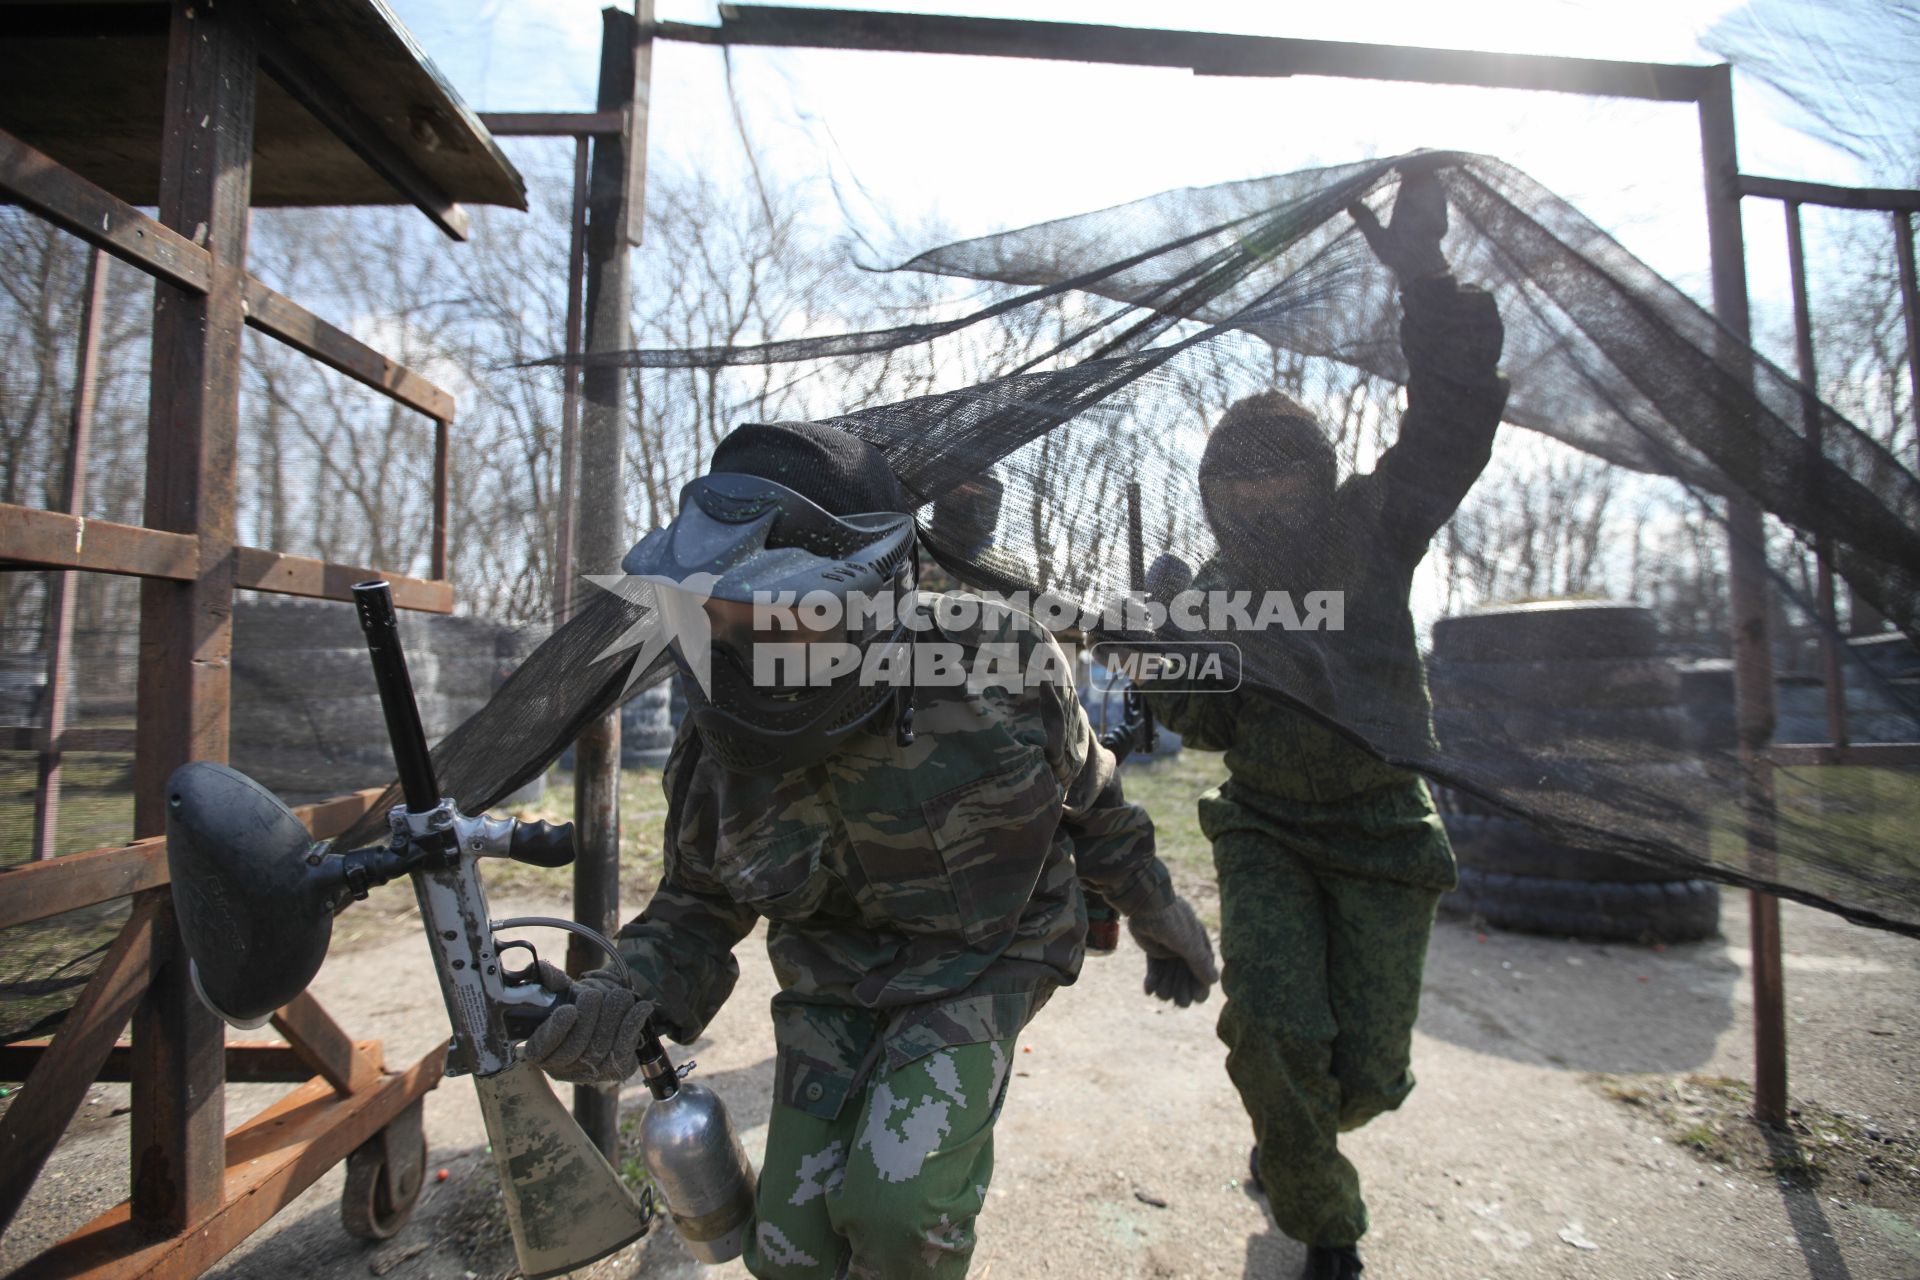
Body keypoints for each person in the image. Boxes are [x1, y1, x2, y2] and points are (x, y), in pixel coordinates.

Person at [522, 420, 1218, 1280]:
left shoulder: (1001, 663)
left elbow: (1097, 807)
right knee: (787, 1253)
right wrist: (620, 999)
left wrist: (1163, 917)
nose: (743, 652)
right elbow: (698, 906)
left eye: (779, 618)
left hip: (986, 955)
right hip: (833, 971)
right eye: (716, 615)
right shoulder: (716, 748)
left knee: (896, 1213)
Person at [1141, 167, 1508, 1280]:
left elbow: (1449, 425)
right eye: (1237, 487)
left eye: (1279, 478)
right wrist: (1165, 654)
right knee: (1272, 1031)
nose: (1260, 503)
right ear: (1213, 495)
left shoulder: (1374, 527)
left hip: (1385, 830)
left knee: (1366, 1075)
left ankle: (1294, 1134)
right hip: (1266, 830)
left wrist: (1429, 285)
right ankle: (1325, 1225)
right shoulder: (1208, 590)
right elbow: (1205, 727)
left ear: (1318, 475)